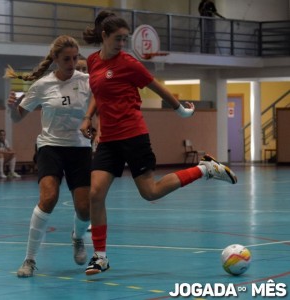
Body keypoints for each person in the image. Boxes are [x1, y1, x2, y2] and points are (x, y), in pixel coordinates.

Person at [80, 10, 237, 276]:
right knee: (95, 194)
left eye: (125, 39)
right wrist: (88, 118)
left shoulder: (128, 63)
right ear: (104, 36)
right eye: (118, 38)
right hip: (108, 141)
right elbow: (98, 91)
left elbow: (155, 86)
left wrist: (180, 110)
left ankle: (203, 169)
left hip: (133, 135)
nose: (121, 44)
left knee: (150, 192)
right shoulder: (93, 61)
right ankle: (100, 256)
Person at [5, 35, 93, 277]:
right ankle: (30, 259)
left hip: (80, 148)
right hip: (50, 147)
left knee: (85, 209)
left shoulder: (86, 81)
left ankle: (77, 237)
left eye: (75, 58)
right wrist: (13, 108)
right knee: (48, 198)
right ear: (55, 59)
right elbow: (17, 117)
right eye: (67, 58)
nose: (72, 63)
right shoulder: (42, 85)